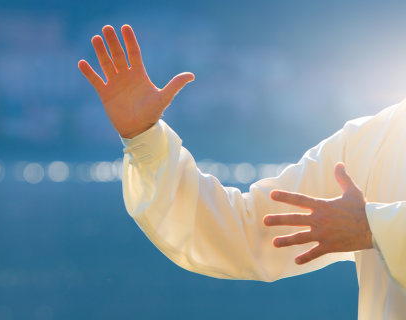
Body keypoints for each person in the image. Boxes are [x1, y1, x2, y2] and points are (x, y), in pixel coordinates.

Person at [78, 24, 406, 319]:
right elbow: (248, 230)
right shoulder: (371, 140)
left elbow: (369, 225)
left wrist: (375, 228)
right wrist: (144, 138)